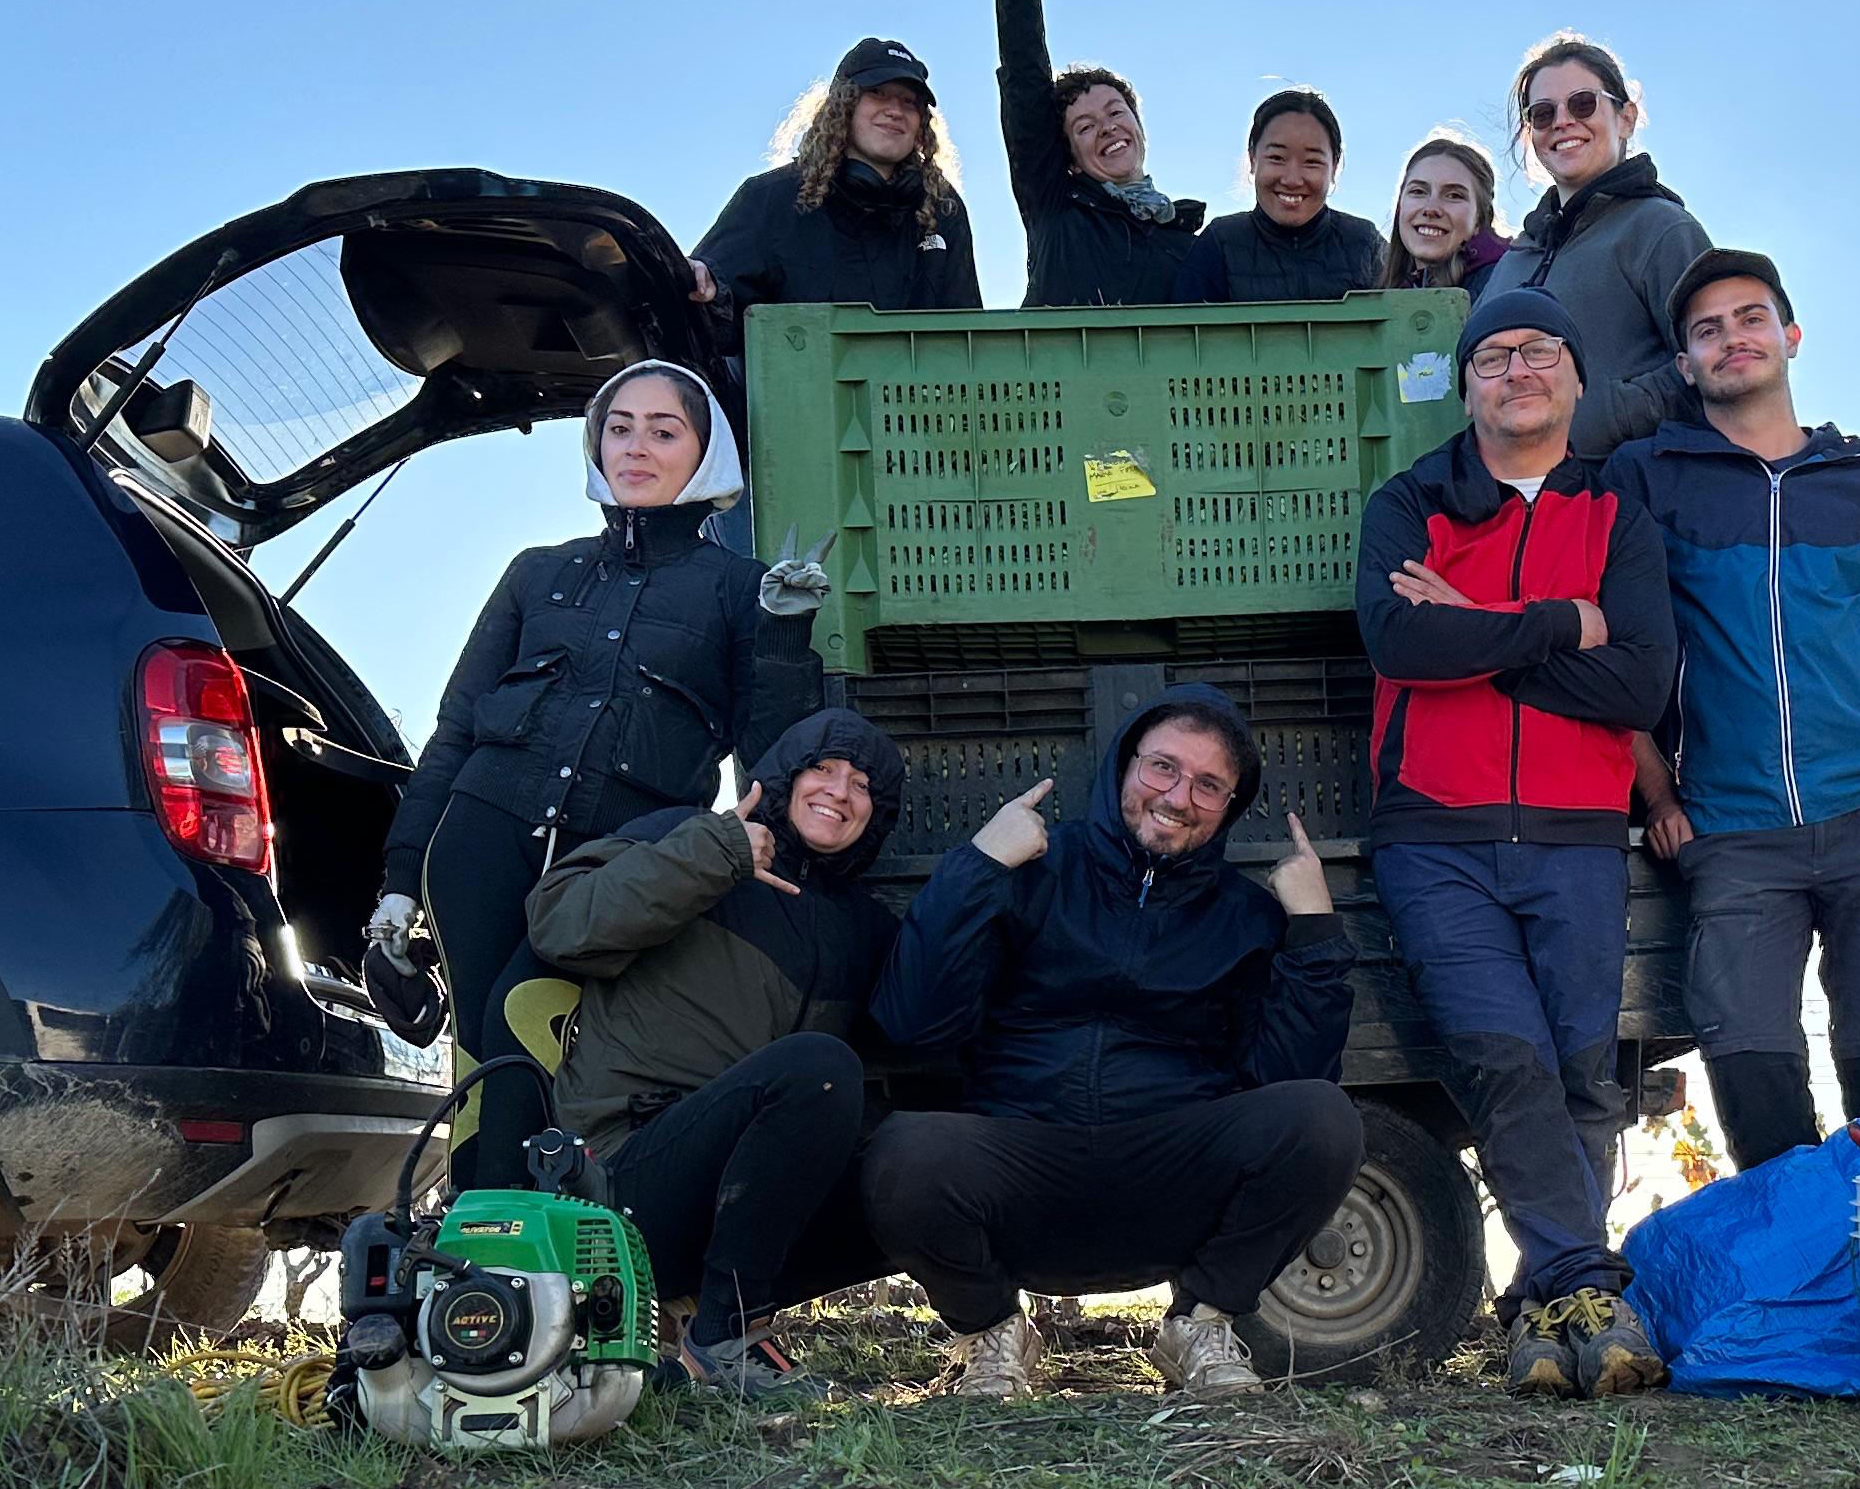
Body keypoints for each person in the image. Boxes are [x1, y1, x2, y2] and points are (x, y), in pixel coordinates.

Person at [370, 359, 819, 1190]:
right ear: (595, 442)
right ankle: (477, 1262)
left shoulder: (740, 590)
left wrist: (787, 638)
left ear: (705, 452)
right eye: (620, 427)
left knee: (524, 1022)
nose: (637, 447)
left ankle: (537, 1246)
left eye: (663, 430)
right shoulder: (537, 571)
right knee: (477, 1040)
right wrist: (400, 879)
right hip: (478, 840)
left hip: (616, 863)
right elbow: (457, 729)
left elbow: (777, 746)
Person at [1355, 286, 1677, 1397]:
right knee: (1503, 1056)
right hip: (1434, 834)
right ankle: (1589, 1283)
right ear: (1468, 383)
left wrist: (1477, 630)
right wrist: (1553, 625)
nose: (1519, 370)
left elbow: (1639, 677)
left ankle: (1545, 1313)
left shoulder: (1617, 516)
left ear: (1577, 378)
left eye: (1543, 350)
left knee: (1585, 1072)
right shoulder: (1411, 503)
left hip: (1577, 831)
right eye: (1494, 356)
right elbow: (1401, 639)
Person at [863, 689, 1363, 1400]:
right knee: (899, 1157)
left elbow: (1293, 1074)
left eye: (1208, 785)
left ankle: (1200, 1324)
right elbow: (910, 1019)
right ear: (1124, 767)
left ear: (1228, 807)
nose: (1178, 796)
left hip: (1169, 1174)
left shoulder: (1245, 915)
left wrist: (1312, 926)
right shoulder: (1033, 871)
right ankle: (995, 1333)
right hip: (1023, 1165)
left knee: (1324, 1119)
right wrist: (978, 865)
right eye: (1163, 768)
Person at [1610, 251, 1860, 1171]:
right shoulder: (1651, 481)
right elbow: (1617, 643)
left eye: (1750, 318)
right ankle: (1803, 1291)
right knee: (1753, 1079)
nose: (1733, 338)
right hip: (1731, 830)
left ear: (1790, 337)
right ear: (1684, 365)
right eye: (1708, 329)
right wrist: (1656, 793)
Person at [520, 709, 909, 1401]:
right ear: (785, 777)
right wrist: (719, 852)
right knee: (816, 1069)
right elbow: (562, 925)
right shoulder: (687, 836)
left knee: (914, 1172)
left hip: (732, 1205)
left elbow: (921, 1026)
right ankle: (727, 1337)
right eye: (823, 768)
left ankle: (714, 1332)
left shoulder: (859, 924)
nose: (840, 791)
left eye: (862, 784)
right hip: (622, 1185)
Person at [984, 0, 1203, 307]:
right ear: (1070, 158)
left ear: (1139, 125)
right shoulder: (1057, 211)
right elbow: (1026, 77)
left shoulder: (1192, 247)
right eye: (1084, 127)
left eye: (1115, 113)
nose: (1106, 128)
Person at [1481, 34, 1710, 456]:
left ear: (1625, 118)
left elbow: (1710, 365)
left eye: (1583, 103)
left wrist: (1597, 416)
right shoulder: (1515, 258)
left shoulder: (1661, 229)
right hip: (1517, 505)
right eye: (1543, 114)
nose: (1563, 121)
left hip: (1623, 501)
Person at [691, 37, 984, 325]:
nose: (895, 111)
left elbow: (970, 335)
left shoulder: (943, 209)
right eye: (878, 93)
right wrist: (700, 280)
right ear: (844, 105)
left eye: (909, 102)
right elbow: (708, 303)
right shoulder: (768, 199)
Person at [1174, 89, 1387, 302]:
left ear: (1334, 168)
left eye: (1312, 161)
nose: (1292, 180)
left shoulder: (1365, 243)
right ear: (1253, 159)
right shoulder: (1219, 243)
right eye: (1277, 157)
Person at [1383, 132, 1510, 297]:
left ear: (1479, 218)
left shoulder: (1504, 288)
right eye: (1418, 191)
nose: (1431, 208)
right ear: (1400, 206)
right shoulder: (1386, 295)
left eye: (1454, 196)